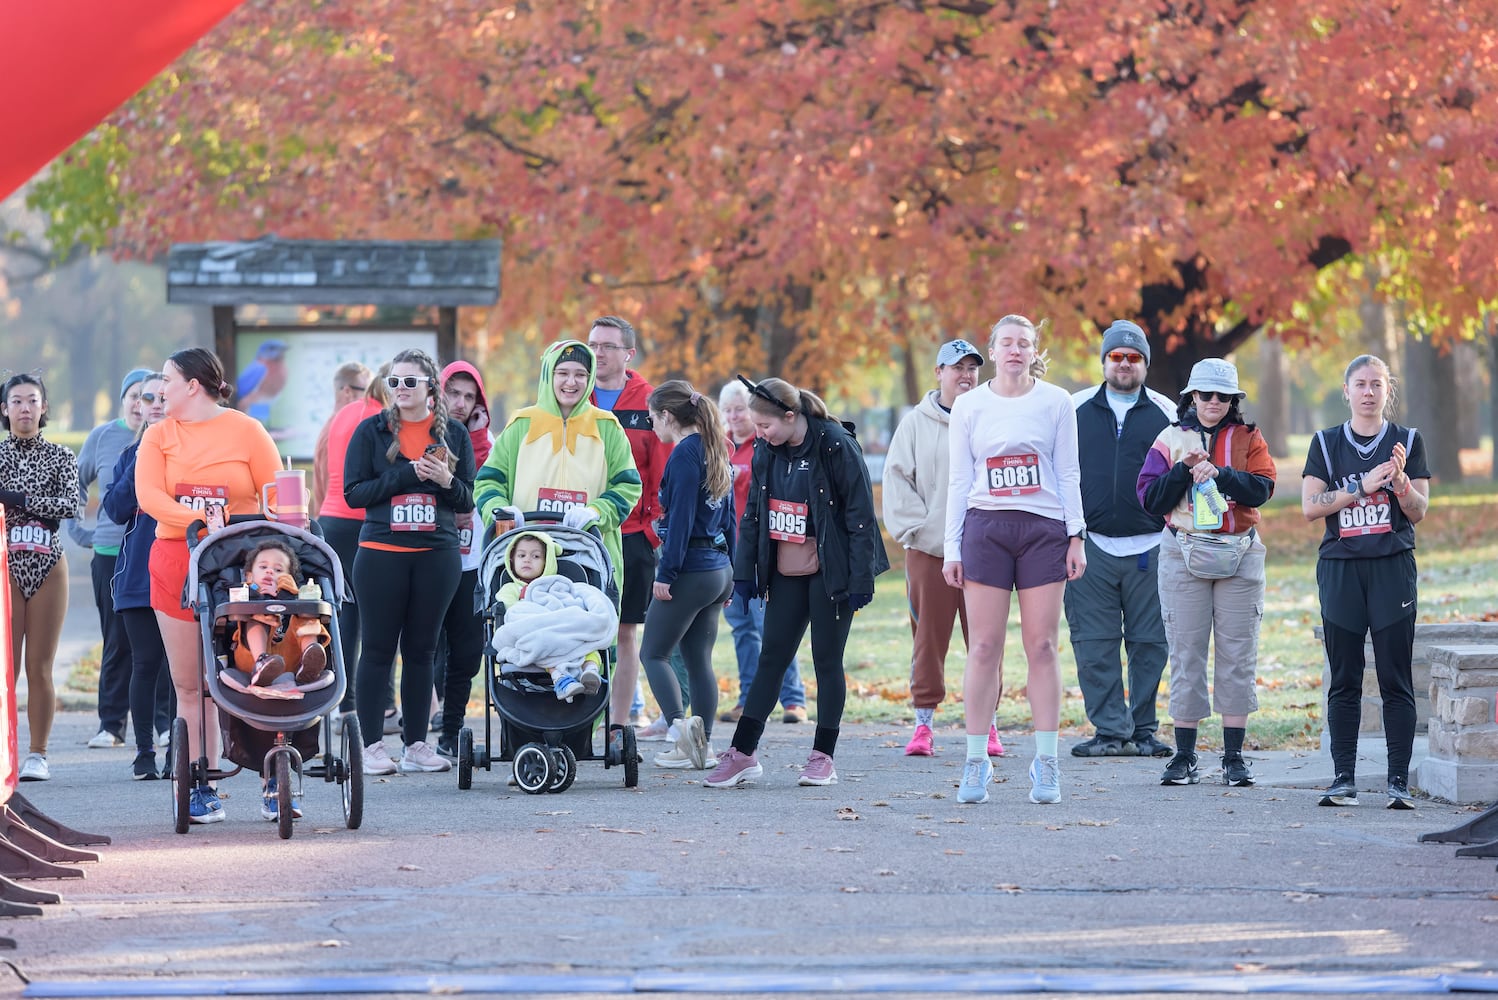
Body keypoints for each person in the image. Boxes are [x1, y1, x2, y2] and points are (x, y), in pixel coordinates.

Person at [705, 376, 889, 789]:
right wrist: (745, 574)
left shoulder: (834, 443)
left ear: (791, 417)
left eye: (766, 426)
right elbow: (753, 515)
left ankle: (823, 756)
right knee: (771, 657)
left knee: (826, 660)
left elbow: (860, 514)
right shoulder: (767, 452)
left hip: (832, 572)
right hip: (786, 570)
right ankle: (743, 752)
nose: (759, 434)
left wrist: (861, 578)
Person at [940, 316, 1085, 807]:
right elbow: (959, 480)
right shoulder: (970, 406)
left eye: (1024, 343)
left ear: (1033, 351)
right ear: (994, 351)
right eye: (1007, 343)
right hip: (987, 528)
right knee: (983, 647)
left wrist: (1076, 536)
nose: (1015, 350)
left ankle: (1046, 762)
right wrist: (952, 546)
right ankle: (975, 761)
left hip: (1044, 529)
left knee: (1042, 645)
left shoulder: (1057, 401)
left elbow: (1068, 472)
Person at [474, 339, 642, 761]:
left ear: (589, 381)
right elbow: (487, 481)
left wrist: (598, 511)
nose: (571, 381)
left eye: (580, 375)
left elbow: (628, 485)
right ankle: (525, 732)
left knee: (585, 636)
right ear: (549, 375)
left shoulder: (607, 427)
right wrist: (500, 509)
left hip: (588, 554)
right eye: (564, 373)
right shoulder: (521, 424)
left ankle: (580, 734)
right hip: (526, 558)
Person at [135, 348, 284, 821]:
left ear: (192, 386)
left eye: (167, 379)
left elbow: (277, 491)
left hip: (239, 562)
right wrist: (199, 518)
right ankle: (201, 780)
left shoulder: (246, 430)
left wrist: (262, 522)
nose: (160, 389)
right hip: (178, 557)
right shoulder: (158, 435)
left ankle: (272, 778)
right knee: (192, 684)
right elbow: (150, 496)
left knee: (247, 671)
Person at [1137, 358, 1276, 789]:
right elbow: (1148, 497)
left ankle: (1233, 757)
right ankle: (1184, 755)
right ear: (1191, 397)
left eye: (1222, 396)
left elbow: (1263, 488)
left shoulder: (1249, 437)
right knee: (1186, 650)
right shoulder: (1169, 438)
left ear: (1233, 400)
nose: (1213, 402)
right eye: (1205, 395)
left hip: (1240, 554)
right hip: (1182, 552)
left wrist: (1222, 474)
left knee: (1238, 652)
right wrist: (1183, 470)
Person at [1302, 355, 1430, 809]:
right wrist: (1361, 487)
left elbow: (1418, 511)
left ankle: (1398, 783)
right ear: (1347, 390)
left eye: (1377, 384)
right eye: (1361, 384)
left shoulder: (1407, 441)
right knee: (1345, 677)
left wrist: (1397, 483)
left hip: (1391, 567)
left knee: (1396, 677)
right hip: (1341, 568)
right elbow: (1310, 506)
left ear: (1387, 390)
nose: (1369, 392)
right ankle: (1343, 779)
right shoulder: (1325, 442)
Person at [344, 349, 474, 776]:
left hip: (436, 555)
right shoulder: (371, 431)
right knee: (378, 650)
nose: (400, 390)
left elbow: (468, 499)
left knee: (422, 650)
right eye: (394, 382)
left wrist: (446, 481)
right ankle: (372, 746)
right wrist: (407, 476)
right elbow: (354, 493)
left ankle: (417, 745)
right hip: (382, 555)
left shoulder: (454, 434)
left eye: (410, 382)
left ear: (430, 388)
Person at [885, 339, 1006, 758]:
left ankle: (988, 726)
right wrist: (919, 530)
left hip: (986, 550)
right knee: (928, 640)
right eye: (957, 368)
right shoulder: (916, 424)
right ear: (939, 372)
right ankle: (923, 726)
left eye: (973, 368)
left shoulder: (993, 416)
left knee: (986, 641)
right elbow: (897, 479)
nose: (966, 375)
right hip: (930, 551)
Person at [1065, 322, 1177, 759]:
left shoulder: (1167, 413)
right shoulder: (1072, 409)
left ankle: (1144, 730)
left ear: (1145, 364)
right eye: (1117, 357)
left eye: (1134, 358)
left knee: (1151, 642)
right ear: (1104, 361)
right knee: (1093, 641)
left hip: (1151, 545)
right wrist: (1068, 533)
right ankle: (1110, 731)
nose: (1125, 364)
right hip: (1089, 545)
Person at [639, 381, 736, 771]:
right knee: (698, 660)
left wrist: (667, 572)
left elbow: (678, 522)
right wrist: (734, 573)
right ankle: (704, 746)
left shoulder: (683, 455)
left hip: (691, 569)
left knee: (653, 653)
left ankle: (682, 737)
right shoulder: (716, 449)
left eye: (652, 419)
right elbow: (729, 518)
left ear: (667, 416)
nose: (652, 427)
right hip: (718, 570)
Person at [585, 317, 673, 735]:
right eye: (593, 345)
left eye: (607, 346)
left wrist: (653, 529)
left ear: (628, 354)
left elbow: (661, 474)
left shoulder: (648, 402)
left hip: (631, 535)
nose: (598, 353)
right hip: (577, 534)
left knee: (624, 633)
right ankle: (575, 721)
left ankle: (618, 728)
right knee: (579, 630)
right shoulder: (572, 395)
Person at [1, 373, 82, 782]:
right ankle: (4, 750)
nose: (25, 409)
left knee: (40, 665)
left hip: (48, 564)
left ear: (44, 407)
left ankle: (38, 753)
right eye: (17, 401)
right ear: (5, 409)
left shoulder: (61, 457)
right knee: (5, 667)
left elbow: (70, 506)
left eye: (33, 401)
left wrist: (17, 500)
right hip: (6, 567)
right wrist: (38, 508)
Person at [71, 367, 153, 750]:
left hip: (153, 549)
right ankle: (111, 724)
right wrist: (77, 531)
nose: (141, 403)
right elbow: (74, 482)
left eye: (149, 396)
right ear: (123, 400)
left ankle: (164, 724)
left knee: (160, 642)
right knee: (117, 640)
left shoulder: (165, 435)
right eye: (134, 395)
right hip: (108, 549)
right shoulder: (103, 437)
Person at [717, 380, 807, 726]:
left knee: (771, 625)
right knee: (741, 627)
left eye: (740, 409)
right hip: (729, 550)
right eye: (727, 410)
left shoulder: (767, 444)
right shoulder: (722, 448)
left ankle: (793, 699)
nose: (734, 416)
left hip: (765, 548)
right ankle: (748, 698)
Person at [100, 372, 176, 780]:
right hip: (138, 577)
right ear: (140, 407)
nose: (157, 404)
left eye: (165, 396)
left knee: (184, 670)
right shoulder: (131, 454)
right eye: (149, 397)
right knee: (145, 663)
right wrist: (147, 449)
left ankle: (180, 752)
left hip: (183, 575)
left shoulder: (193, 450)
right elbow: (115, 507)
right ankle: (145, 751)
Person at [317, 365, 392, 734]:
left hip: (332, 519)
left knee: (343, 612)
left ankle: (341, 702)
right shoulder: (383, 419)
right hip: (367, 520)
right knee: (379, 614)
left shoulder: (345, 413)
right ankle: (383, 703)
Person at [433, 361, 494, 757]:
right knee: (429, 647)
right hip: (430, 556)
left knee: (467, 648)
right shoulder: (422, 438)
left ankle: (452, 729)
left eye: (468, 396)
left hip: (472, 559)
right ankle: (439, 728)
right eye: (452, 393)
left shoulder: (490, 446)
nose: (459, 403)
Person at [492, 531, 605, 699]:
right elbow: (512, 612)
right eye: (521, 555)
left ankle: (590, 671)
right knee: (543, 647)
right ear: (511, 560)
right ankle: (560, 678)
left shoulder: (556, 584)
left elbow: (569, 603)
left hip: (563, 632)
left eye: (536, 556)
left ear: (547, 561)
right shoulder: (511, 589)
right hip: (535, 636)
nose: (527, 560)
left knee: (587, 645)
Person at [231, 540, 331, 687]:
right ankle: (261, 663)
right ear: (249, 576)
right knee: (255, 617)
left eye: (278, 570)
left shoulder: (295, 594)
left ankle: (310, 659)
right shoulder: (245, 591)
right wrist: (259, 596)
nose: (270, 571)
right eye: (263, 567)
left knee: (306, 614)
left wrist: (284, 592)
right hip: (251, 657)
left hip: (291, 656)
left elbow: (298, 599)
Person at [308, 362, 372, 519]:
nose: (371, 399)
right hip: (341, 521)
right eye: (368, 392)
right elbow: (333, 487)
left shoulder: (334, 427)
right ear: (348, 391)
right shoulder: (338, 432)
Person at [237, 339, 289, 426]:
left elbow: (263, 403)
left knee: (259, 421)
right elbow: (241, 398)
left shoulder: (283, 371)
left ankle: (263, 426)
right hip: (244, 414)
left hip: (259, 409)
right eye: (272, 349)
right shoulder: (259, 368)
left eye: (282, 350)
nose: (279, 353)